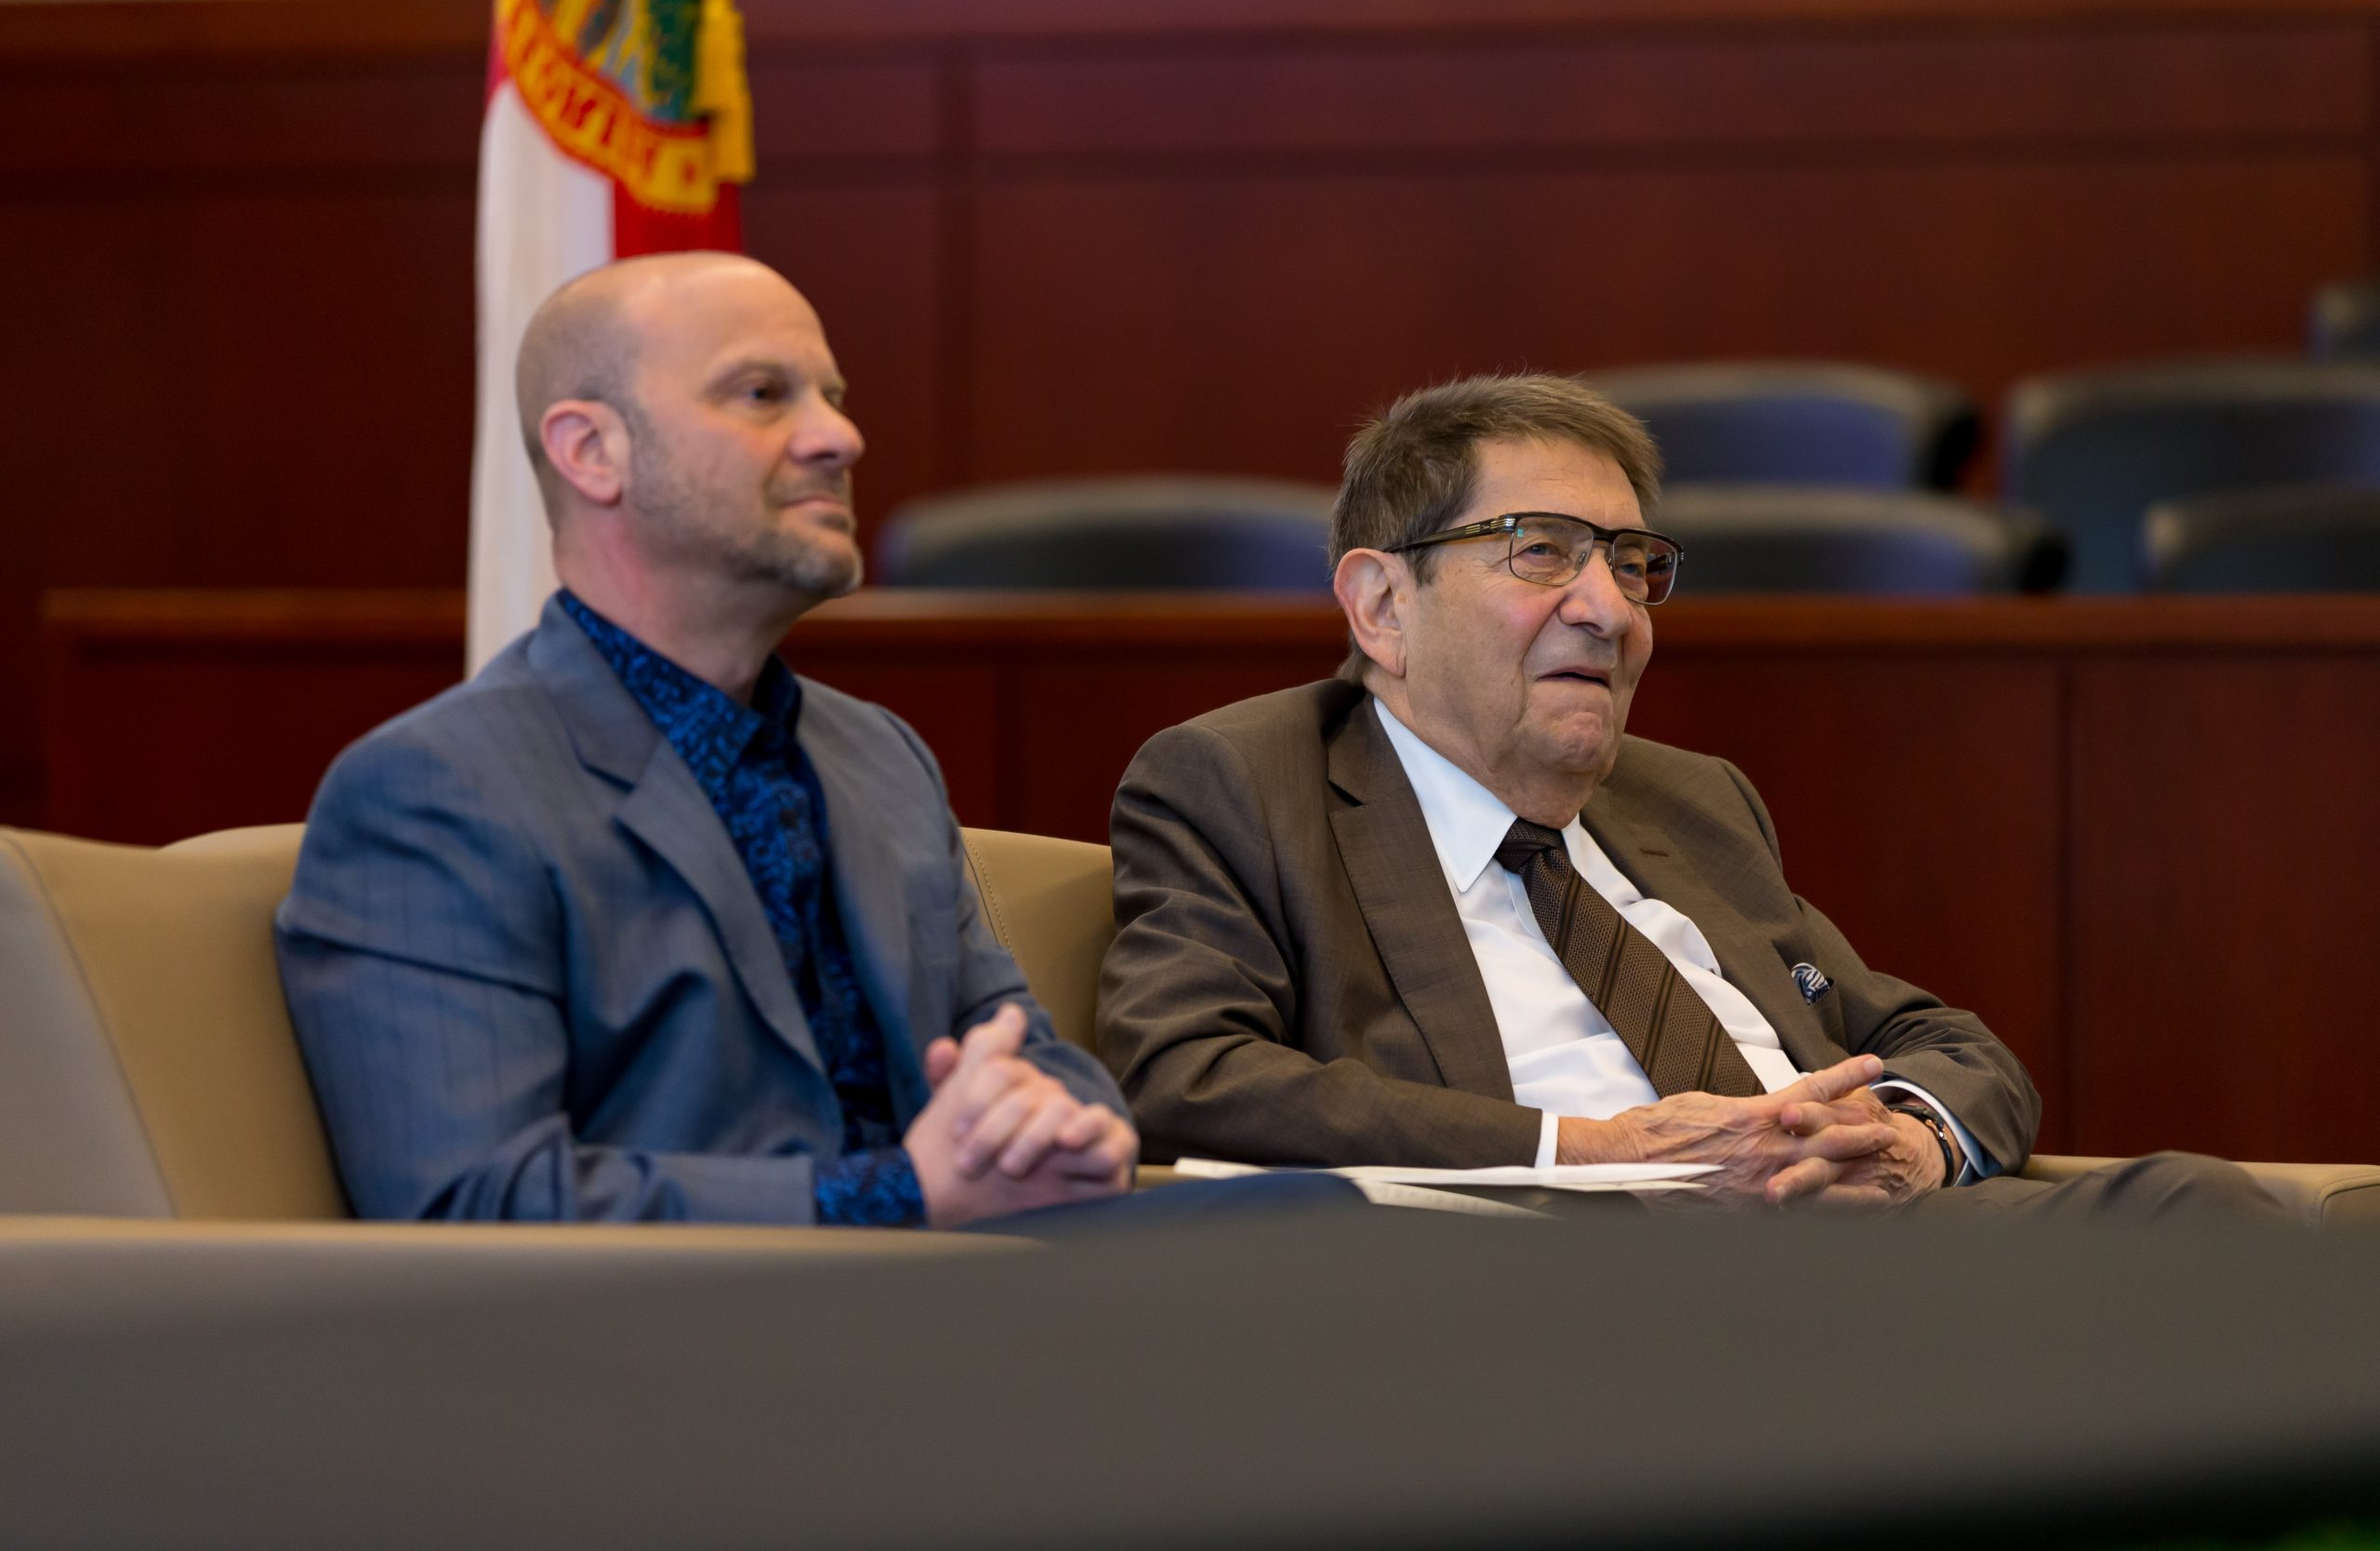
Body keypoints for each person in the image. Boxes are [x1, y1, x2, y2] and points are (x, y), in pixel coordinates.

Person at [1098, 374, 2276, 1215]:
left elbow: (1930, 1038)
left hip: (1867, 1245)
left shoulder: (1686, 799)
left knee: (2208, 1212)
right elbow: (1186, 1075)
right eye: (1541, 550)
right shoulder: (1247, 780)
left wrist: (1907, 1145)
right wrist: (1597, 1149)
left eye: (1631, 563)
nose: (1610, 609)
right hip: (1568, 1281)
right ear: (1381, 607)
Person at [279, 251, 1172, 1231]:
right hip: (647, 1365)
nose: (840, 435)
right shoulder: (434, 792)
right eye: (761, 393)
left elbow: (1015, 1046)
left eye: (831, 395)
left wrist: (1072, 1126)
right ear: (592, 453)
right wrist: (896, 1196)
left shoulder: (878, 755)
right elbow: (473, 1204)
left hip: (954, 1326)